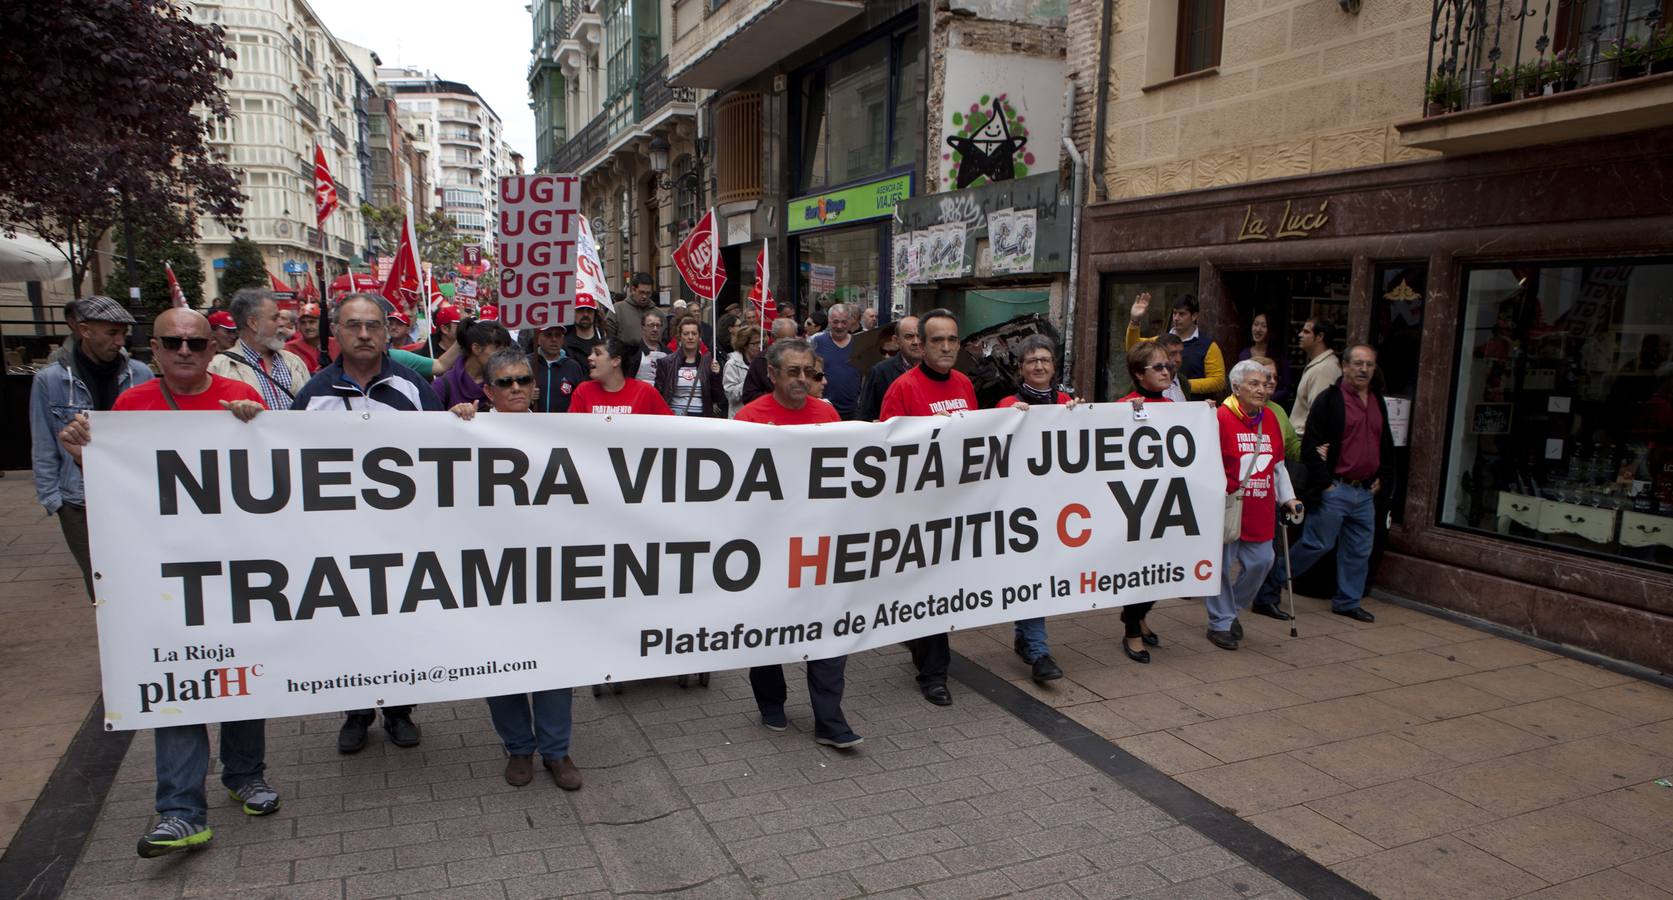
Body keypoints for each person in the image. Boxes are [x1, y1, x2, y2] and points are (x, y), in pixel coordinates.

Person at [55, 307, 277, 858]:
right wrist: (85, 456)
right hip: (165, 571)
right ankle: (179, 810)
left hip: (238, 563)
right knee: (177, 681)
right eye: (172, 342)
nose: (184, 351)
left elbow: (280, 472)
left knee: (241, 674)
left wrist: (259, 427)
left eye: (195, 343)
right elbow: (122, 485)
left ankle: (245, 776)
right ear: (152, 349)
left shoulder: (240, 399)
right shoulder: (130, 406)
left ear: (211, 349)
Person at [291, 294, 442, 751]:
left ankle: (399, 711)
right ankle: (356, 712)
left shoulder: (413, 389)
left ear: (386, 332)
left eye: (372, 326)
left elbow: (444, 452)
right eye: (353, 325)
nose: (363, 334)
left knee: (398, 624)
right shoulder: (313, 395)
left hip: (402, 538)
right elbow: (287, 462)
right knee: (349, 628)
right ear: (335, 331)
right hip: (338, 541)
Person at [447, 348, 584, 790]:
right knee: (501, 664)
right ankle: (519, 748)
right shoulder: (466, 430)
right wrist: (451, 422)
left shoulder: (562, 433)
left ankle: (556, 752)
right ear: (486, 390)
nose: (516, 389)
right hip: (490, 574)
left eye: (523, 380)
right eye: (504, 383)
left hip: (548, 571)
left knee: (555, 665)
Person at [733, 339, 864, 748]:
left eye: (809, 372)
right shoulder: (749, 418)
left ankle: (830, 720)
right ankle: (771, 702)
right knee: (768, 630)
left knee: (829, 629)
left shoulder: (827, 414)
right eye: (793, 372)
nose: (802, 380)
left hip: (819, 548)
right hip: (768, 549)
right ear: (772, 374)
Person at [879, 309, 975, 706]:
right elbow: (884, 449)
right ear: (920, 343)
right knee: (927, 588)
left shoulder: (966, 384)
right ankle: (934, 673)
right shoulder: (902, 389)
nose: (947, 347)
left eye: (952, 339)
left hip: (957, 505)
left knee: (943, 587)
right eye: (937, 340)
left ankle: (924, 648)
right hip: (917, 510)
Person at [1256, 344, 1391, 623]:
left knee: (1359, 549)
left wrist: (1382, 478)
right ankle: (1271, 582)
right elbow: (1310, 446)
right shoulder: (1329, 401)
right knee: (1316, 544)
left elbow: (1384, 443)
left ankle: (1347, 601)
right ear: (1344, 366)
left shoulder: (1377, 400)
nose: (1363, 369)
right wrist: (1326, 484)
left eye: (1369, 364)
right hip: (1336, 488)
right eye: (1358, 364)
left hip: (1365, 490)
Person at [29, 296, 152, 599]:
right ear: (84, 330)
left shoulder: (140, 374)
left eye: (122, 333)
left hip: (134, 494)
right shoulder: (51, 380)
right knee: (101, 586)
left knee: (142, 575)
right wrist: (54, 501)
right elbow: (43, 442)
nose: (119, 341)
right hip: (79, 500)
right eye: (111, 333)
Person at [1204, 359, 1303, 651]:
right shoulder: (1220, 417)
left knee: (1262, 561)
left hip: (1260, 509)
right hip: (1227, 507)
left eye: (1266, 383)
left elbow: (1278, 465)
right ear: (1237, 387)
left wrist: (1288, 498)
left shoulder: (1270, 419)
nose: (1263, 389)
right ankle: (1220, 623)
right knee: (1220, 567)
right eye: (1255, 384)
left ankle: (1231, 609)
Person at [993, 334, 1072, 681]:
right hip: (1021, 509)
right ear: (1021, 368)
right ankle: (1039, 652)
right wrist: (1008, 420)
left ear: (1054, 367)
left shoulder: (1068, 401)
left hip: (1058, 504)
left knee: (1041, 574)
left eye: (1045, 360)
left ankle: (1025, 639)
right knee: (1033, 574)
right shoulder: (1006, 404)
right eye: (1031, 361)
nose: (1038, 366)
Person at [1115, 341, 1176, 662]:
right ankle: (1132, 632)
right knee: (1141, 568)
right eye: (1159, 367)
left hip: (1167, 502)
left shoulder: (1173, 404)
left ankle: (1137, 616)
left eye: (1170, 366)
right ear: (1139, 375)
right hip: (1137, 504)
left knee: (1164, 570)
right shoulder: (1124, 407)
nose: (1167, 372)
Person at [208, 289, 311, 414]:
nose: (281, 324)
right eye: (275, 318)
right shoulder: (218, 367)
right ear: (253, 324)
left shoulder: (294, 362)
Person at [1127, 292, 1226, 397]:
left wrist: (1181, 384)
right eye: (1174, 313)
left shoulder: (1208, 346)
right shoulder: (1159, 340)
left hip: (1192, 406)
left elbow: (1218, 381)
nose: (1176, 318)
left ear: (1194, 316)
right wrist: (1135, 321)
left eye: (1182, 314)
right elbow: (1134, 349)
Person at [570, 338, 673, 415]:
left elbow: (670, 425)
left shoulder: (645, 392)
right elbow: (571, 429)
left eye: (597, 354)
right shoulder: (583, 391)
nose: (589, 358)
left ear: (615, 361)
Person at [436, 320, 514, 410]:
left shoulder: (509, 382)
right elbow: (431, 422)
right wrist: (452, 415)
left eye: (506, 351)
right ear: (476, 348)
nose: (504, 356)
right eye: (498, 350)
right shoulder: (443, 386)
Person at [655, 317, 724, 416]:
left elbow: (718, 398)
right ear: (679, 337)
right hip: (675, 419)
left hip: (701, 420)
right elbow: (658, 396)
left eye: (694, 333)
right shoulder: (667, 363)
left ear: (699, 336)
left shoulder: (709, 363)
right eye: (686, 334)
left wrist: (716, 376)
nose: (690, 337)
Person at [858, 316, 921, 422]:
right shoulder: (880, 372)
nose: (916, 341)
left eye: (920, 336)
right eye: (909, 336)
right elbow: (865, 416)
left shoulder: (937, 369)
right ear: (897, 341)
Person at [1290, 317, 1341, 437]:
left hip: (1305, 441)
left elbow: (1319, 414)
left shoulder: (1324, 369)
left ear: (1319, 337)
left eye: (1306, 332)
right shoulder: (1320, 365)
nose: (1300, 334)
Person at [810, 303, 861, 419]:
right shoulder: (817, 342)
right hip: (824, 408)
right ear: (828, 321)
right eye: (835, 321)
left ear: (850, 321)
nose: (839, 326)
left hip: (854, 411)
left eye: (844, 322)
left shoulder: (859, 342)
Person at [529, 322, 586, 413]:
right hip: (532, 424)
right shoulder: (526, 363)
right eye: (548, 335)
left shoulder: (573, 367)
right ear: (538, 339)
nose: (554, 339)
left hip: (563, 425)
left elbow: (582, 400)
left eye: (558, 335)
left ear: (563, 339)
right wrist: (526, 396)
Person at [741, 317, 799, 406]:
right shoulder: (761, 361)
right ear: (773, 337)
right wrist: (775, 399)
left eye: (791, 340)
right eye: (784, 340)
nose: (788, 345)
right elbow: (748, 395)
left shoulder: (801, 359)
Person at [1237, 312, 1291, 406]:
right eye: (1256, 324)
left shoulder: (1278, 357)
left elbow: (1286, 389)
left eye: (1263, 326)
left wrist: (1265, 397)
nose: (1258, 329)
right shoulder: (1244, 354)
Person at [724, 324, 764, 417]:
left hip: (759, 416)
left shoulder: (763, 362)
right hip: (740, 417)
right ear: (744, 345)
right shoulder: (732, 364)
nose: (758, 346)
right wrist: (749, 379)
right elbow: (730, 396)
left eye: (760, 342)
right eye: (754, 343)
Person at [610, 272, 659, 346]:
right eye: (641, 292)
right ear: (633, 290)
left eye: (648, 293)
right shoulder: (617, 310)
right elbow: (609, 339)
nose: (644, 296)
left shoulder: (659, 314)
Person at [285, 303, 324, 373]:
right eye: (303, 323)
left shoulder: (337, 345)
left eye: (312, 322)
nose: (307, 327)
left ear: (322, 323)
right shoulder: (289, 348)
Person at [636, 309, 668, 386]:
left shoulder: (668, 353)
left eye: (658, 325)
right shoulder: (633, 351)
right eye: (651, 325)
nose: (655, 329)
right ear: (643, 327)